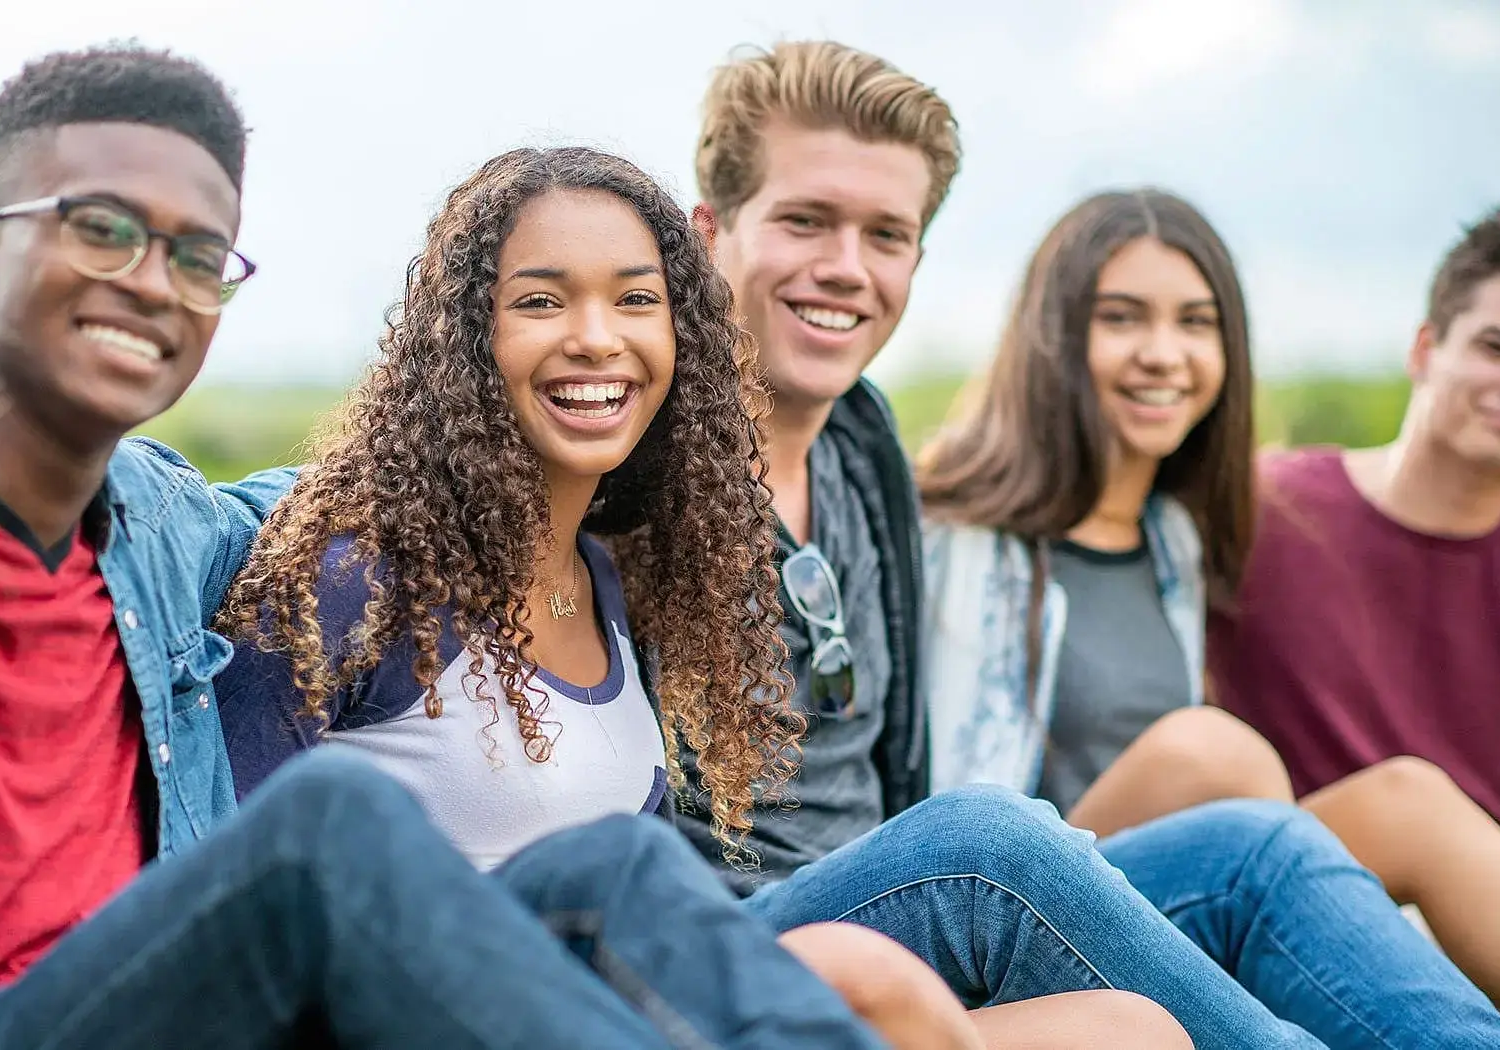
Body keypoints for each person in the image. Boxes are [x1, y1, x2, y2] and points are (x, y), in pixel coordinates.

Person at [0, 42, 901, 1050]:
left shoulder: (161, 537)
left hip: (176, 992)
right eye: (101, 229)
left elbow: (345, 510)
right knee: (331, 823)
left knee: (624, 862)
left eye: (197, 255)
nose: (152, 279)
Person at [218, 144, 1188, 1049]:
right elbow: (232, 902)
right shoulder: (354, 576)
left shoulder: (602, 576)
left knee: (1130, 1031)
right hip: (451, 1020)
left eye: (636, 300)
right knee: (888, 955)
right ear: (465, 337)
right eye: (543, 302)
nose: (598, 339)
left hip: (630, 1009)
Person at [682, 40, 1500, 1048]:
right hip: (743, 934)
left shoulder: (863, 447)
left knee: (1257, 849)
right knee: (989, 835)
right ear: (708, 233)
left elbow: (896, 778)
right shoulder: (647, 457)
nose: (846, 267)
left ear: (917, 261)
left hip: (902, 903)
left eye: (885, 233)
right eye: (806, 220)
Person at [916, 187, 1500, 1006]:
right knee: (1214, 757)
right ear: (1054, 336)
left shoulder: (1181, 542)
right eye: (1122, 318)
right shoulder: (947, 534)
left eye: (1196, 323)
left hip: (1166, 902)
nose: (1164, 353)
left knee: (1407, 802)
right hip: (1012, 910)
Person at [1207, 206, 1500, 1004]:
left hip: (1474, 941)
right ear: (1424, 349)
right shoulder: (1263, 505)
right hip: (1285, 911)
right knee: (1412, 803)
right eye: (1494, 348)